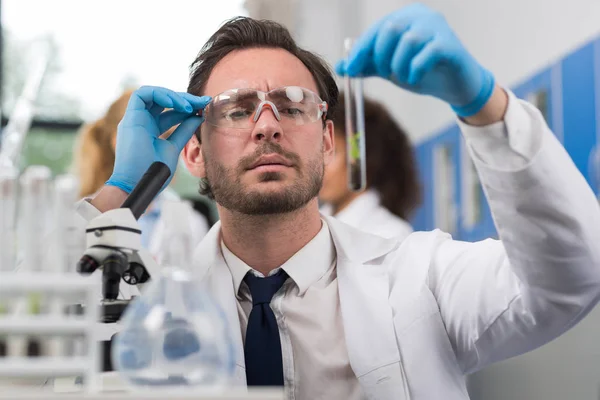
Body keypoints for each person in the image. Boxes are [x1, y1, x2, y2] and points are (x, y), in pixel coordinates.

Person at [76, 4, 600, 399]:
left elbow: (571, 280)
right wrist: (120, 192)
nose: (267, 126)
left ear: (327, 142)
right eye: (236, 111)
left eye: (293, 105)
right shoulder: (152, 302)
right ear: (193, 152)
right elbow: (36, 342)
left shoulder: (421, 279)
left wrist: (483, 104)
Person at [73, 89, 210, 260]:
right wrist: (122, 189)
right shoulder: (76, 218)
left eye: (169, 136)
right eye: (159, 136)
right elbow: (62, 268)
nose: (165, 146)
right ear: (119, 142)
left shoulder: (190, 222)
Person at [319, 94, 421, 239]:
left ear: (364, 158)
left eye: (333, 153)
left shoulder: (390, 235)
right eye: (319, 152)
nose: (321, 166)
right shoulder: (316, 226)